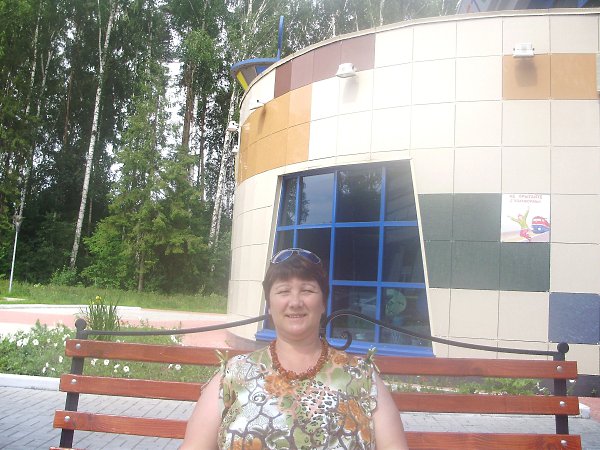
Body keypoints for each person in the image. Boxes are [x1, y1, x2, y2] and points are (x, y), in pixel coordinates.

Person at [181, 248, 409, 450]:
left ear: (323, 303)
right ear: (270, 305)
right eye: (283, 291)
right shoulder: (234, 374)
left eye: (307, 290)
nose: (295, 302)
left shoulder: (361, 376)